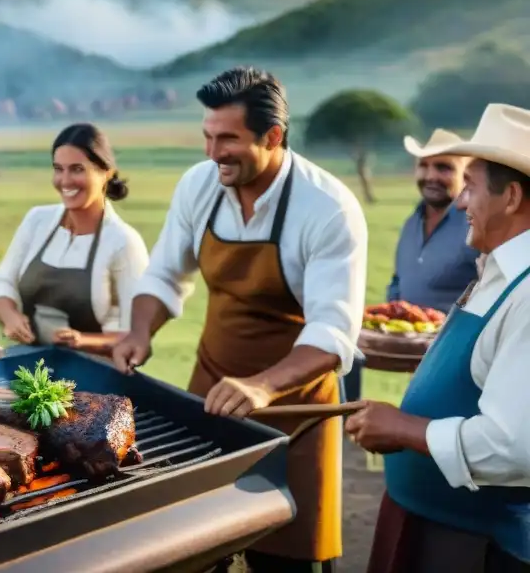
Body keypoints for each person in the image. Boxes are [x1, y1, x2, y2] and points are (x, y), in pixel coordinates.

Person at [113, 67, 368, 573]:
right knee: (195, 549)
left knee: (285, 560)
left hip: (295, 410)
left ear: (273, 136)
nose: (212, 153)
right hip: (212, 394)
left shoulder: (328, 208)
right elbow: (166, 273)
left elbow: (334, 333)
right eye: (207, 137)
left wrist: (261, 387)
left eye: (227, 139)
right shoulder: (199, 185)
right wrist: (139, 331)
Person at [347, 103, 530, 573]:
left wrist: (403, 429)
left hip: (472, 542)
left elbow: (512, 446)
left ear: (510, 197)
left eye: (468, 187)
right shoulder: (498, 268)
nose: (461, 203)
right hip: (430, 518)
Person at [0, 123, 149, 356]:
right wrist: (10, 317)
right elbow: (1, 282)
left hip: (94, 377)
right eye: (58, 169)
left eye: (77, 169)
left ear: (106, 173)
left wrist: (82, 341)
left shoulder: (123, 242)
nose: (65, 180)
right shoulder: (37, 221)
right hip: (29, 369)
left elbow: (136, 335)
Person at [386, 127, 480, 312]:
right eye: (423, 166)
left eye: (443, 168)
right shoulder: (411, 223)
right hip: (405, 336)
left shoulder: (476, 225)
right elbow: (398, 281)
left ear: (465, 175)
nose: (430, 176)